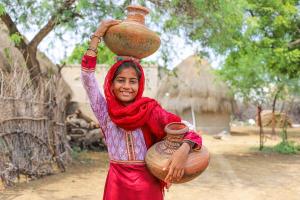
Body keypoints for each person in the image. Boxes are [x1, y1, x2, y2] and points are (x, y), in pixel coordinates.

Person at [81, 19, 202, 200]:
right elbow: (87, 78)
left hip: (147, 186)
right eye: (121, 80)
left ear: (140, 84)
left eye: (133, 81)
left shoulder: (150, 111)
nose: (126, 86)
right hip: (116, 185)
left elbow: (188, 129)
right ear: (111, 84)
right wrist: (97, 35)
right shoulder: (104, 111)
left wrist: (183, 150)